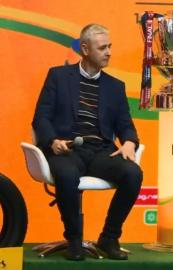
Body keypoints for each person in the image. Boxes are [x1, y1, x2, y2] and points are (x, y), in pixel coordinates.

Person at [32, 24, 143, 261]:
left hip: (101, 150)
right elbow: (41, 117)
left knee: (133, 174)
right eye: (102, 47)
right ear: (84, 49)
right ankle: (74, 239)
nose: (109, 52)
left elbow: (125, 124)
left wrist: (130, 142)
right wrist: (52, 141)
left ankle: (109, 238)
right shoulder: (58, 77)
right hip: (66, 150)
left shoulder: (115, 86)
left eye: (110, 46)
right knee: (67, 174)